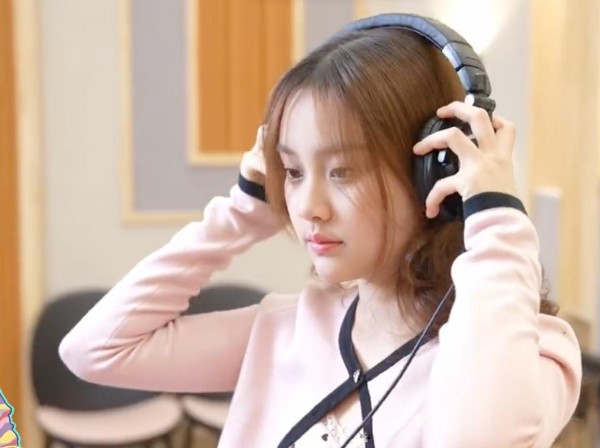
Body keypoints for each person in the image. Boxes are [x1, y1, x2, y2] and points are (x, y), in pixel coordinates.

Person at [59, 13, 582, 448]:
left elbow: (475, 438)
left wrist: (494, 214)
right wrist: (242, 213)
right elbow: (94, 350)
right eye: (291, 171)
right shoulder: (288, 330)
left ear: (436, 168)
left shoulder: (531, 353)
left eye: (342, 171)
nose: (307, 207)